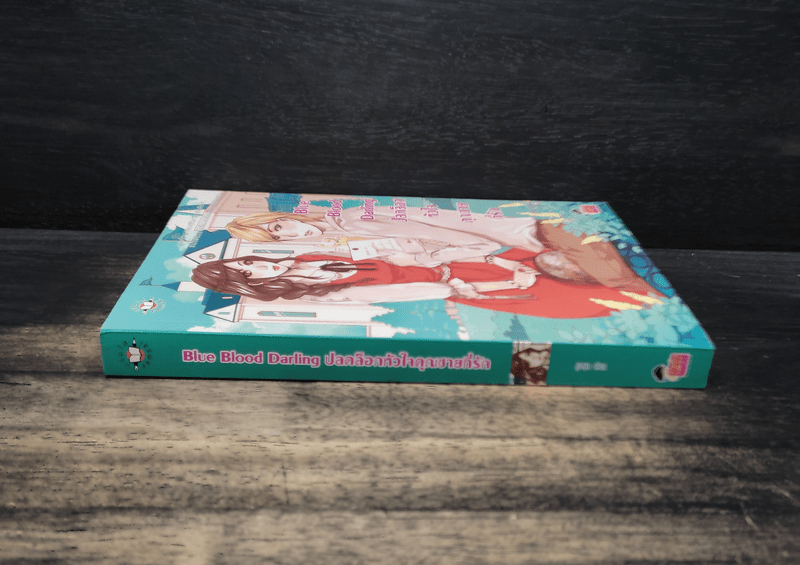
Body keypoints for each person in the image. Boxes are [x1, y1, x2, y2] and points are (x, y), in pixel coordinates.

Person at [224, 206, 658, 296]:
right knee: (575, 271)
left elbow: (428, 225)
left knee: (614, 277)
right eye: (277, 237)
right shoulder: (340, 239)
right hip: (512, 244)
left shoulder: (351, 219)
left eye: (276, 226)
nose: (286, 232)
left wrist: (475, 249)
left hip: (526, 229)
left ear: (279, 216)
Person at [190, 250, 665, 319]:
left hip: (459, 266)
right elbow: (414, 290)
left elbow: (401, 256)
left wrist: (489, 261)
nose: (256, 267)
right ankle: (645, 303)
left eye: (246, 261)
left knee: (560, 260)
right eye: (246, 275)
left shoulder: (310, 258)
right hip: (464, 286)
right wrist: (496, 282)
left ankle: (641, 286)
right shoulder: (318, 292)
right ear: (247, 286)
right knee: (577, 298)